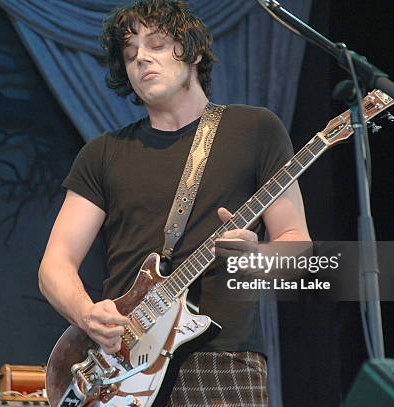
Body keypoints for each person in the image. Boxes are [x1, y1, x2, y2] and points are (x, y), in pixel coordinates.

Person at [38, 0, 310, 405]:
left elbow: (297, 244)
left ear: (194, 52)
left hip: (220, 357)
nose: (141, 58)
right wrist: (86, 314)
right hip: (119, 365)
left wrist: (258, 257)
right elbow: (55, 263)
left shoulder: (255, 129)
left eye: (157, 44)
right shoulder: (103, 153)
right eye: (130, 54)